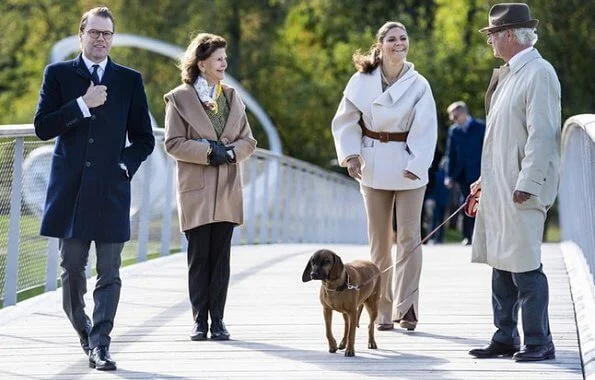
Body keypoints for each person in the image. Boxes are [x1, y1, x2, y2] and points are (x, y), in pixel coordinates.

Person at [33, 7, 155, 371]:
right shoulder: (58, 75)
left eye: (107, 34)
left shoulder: (129, 80)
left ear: (112, 39)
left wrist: (124, 165)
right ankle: (85, 332)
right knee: (71, 269)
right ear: (81, 35)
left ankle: (101, 343)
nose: (101, 39)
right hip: (69, 191)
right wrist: (82, 105)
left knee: (110, 271)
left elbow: (144, 140)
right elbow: (42, 127)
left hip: (111, 190)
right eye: (95, 33)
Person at [469, 3, 560, 362]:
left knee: (524, 266)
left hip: (522, 187)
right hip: (501, 184)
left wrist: (530, 183)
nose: (490, 40)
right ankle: (505, 336)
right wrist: (483, 181)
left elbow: (543, 134)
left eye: (493, 34)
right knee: (501, 262)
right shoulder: (510, 73)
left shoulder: (539, 73)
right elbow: (502, 140)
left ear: (509, 35)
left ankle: (539, 342)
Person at [331, 21, 437, 331]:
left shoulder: (419, 85)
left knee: (409, 238)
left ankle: (408, 308)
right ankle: (382, 310)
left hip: (408, 165)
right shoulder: (361, 81)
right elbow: (346, 120)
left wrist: (418, 163)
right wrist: (350, 154)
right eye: (392, 39)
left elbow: (427, 128)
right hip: (373, 163)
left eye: (404, 38)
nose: (399, 43)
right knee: (379, 243)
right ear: (380, 45)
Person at [164, 33, 256, 342]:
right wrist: (206, 151)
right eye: (219, 59)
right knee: (199, 257)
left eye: (225, 59)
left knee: (221, 258)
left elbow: (249, 140)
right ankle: (198, 321)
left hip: (228, 187)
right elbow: (173, 143)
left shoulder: (232, 96)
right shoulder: (179, 99)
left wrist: (229, 152)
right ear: (202, 63)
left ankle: (218, 321)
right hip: (197, 189)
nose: (224, 64)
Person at [444, 101, 485, 245]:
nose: (453, 120)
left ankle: (481, 237)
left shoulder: (480, 127)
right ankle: (468, 236)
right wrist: (449, 176)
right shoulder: (454, 131)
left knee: (482, 205)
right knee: (466, 204)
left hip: (479, 173)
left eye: (455, 116)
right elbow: (451, 154)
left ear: (463, 113)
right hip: (462, 175)